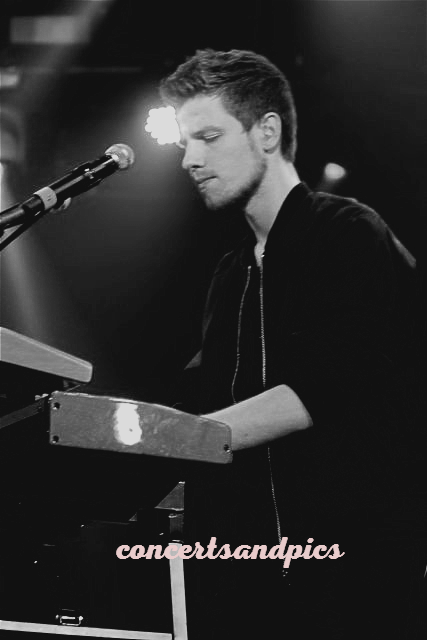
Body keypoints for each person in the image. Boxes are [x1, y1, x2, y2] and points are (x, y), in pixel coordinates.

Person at [159, 49, 426, 639]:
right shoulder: (230, 271)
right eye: (184, 143)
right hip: (246, 576)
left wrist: (174, 438)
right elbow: (201, 397)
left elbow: (325, 386)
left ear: (267, 132)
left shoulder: (346, 231)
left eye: (208, 137)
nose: (189, 159)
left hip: (353, 576)